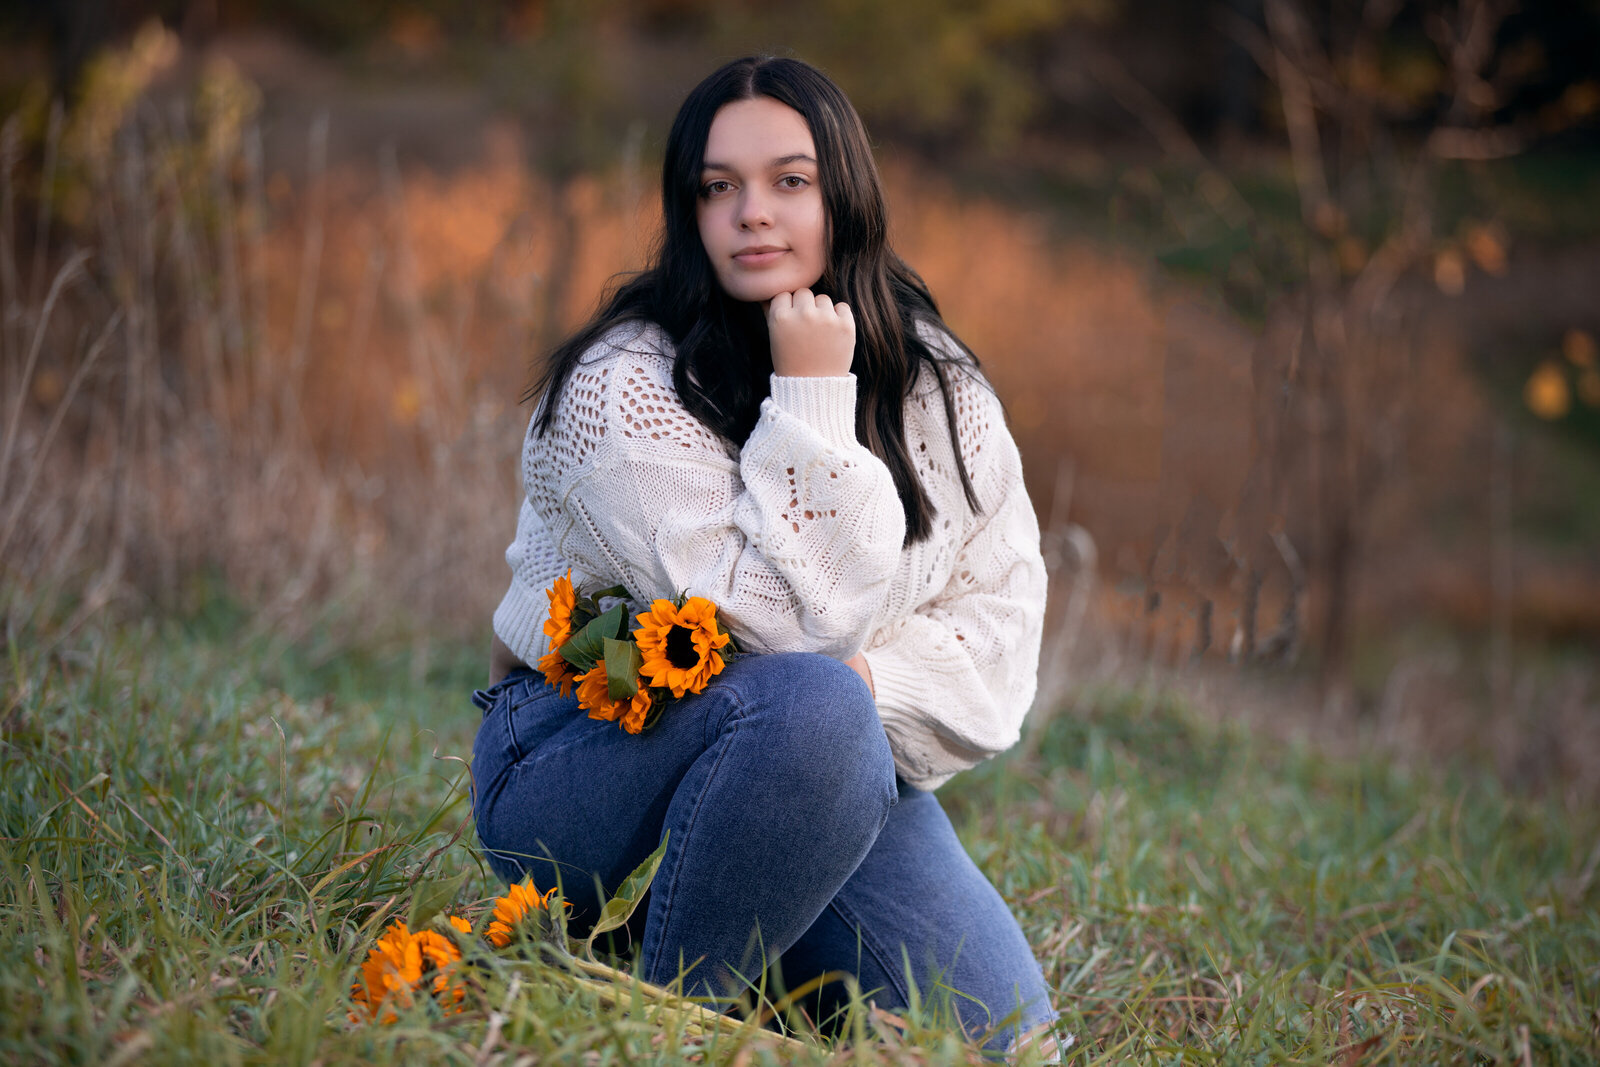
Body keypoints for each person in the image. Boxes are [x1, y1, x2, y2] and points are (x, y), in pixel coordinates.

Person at [470, 55, 1058, 1054]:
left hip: (820, 763)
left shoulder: (938, 389)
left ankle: (729, 951)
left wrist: (867, 686)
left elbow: (999, 632)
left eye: (790, 180)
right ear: (687, 208)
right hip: (576, 757)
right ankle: (670, 1018)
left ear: (844, 195)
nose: (753, 212)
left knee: (1002, 1034)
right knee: (817, 702)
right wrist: (813, 396)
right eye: (718, 186)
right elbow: (778, 629)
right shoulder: (624, 385)